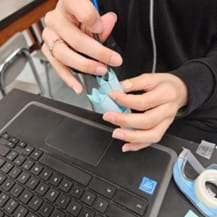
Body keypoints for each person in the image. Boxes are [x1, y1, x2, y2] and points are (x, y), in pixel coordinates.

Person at [42, 0, 217, 152]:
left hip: (201, 113)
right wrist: (72, 38)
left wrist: (191, 84)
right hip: (124, 102)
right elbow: (95, 16)